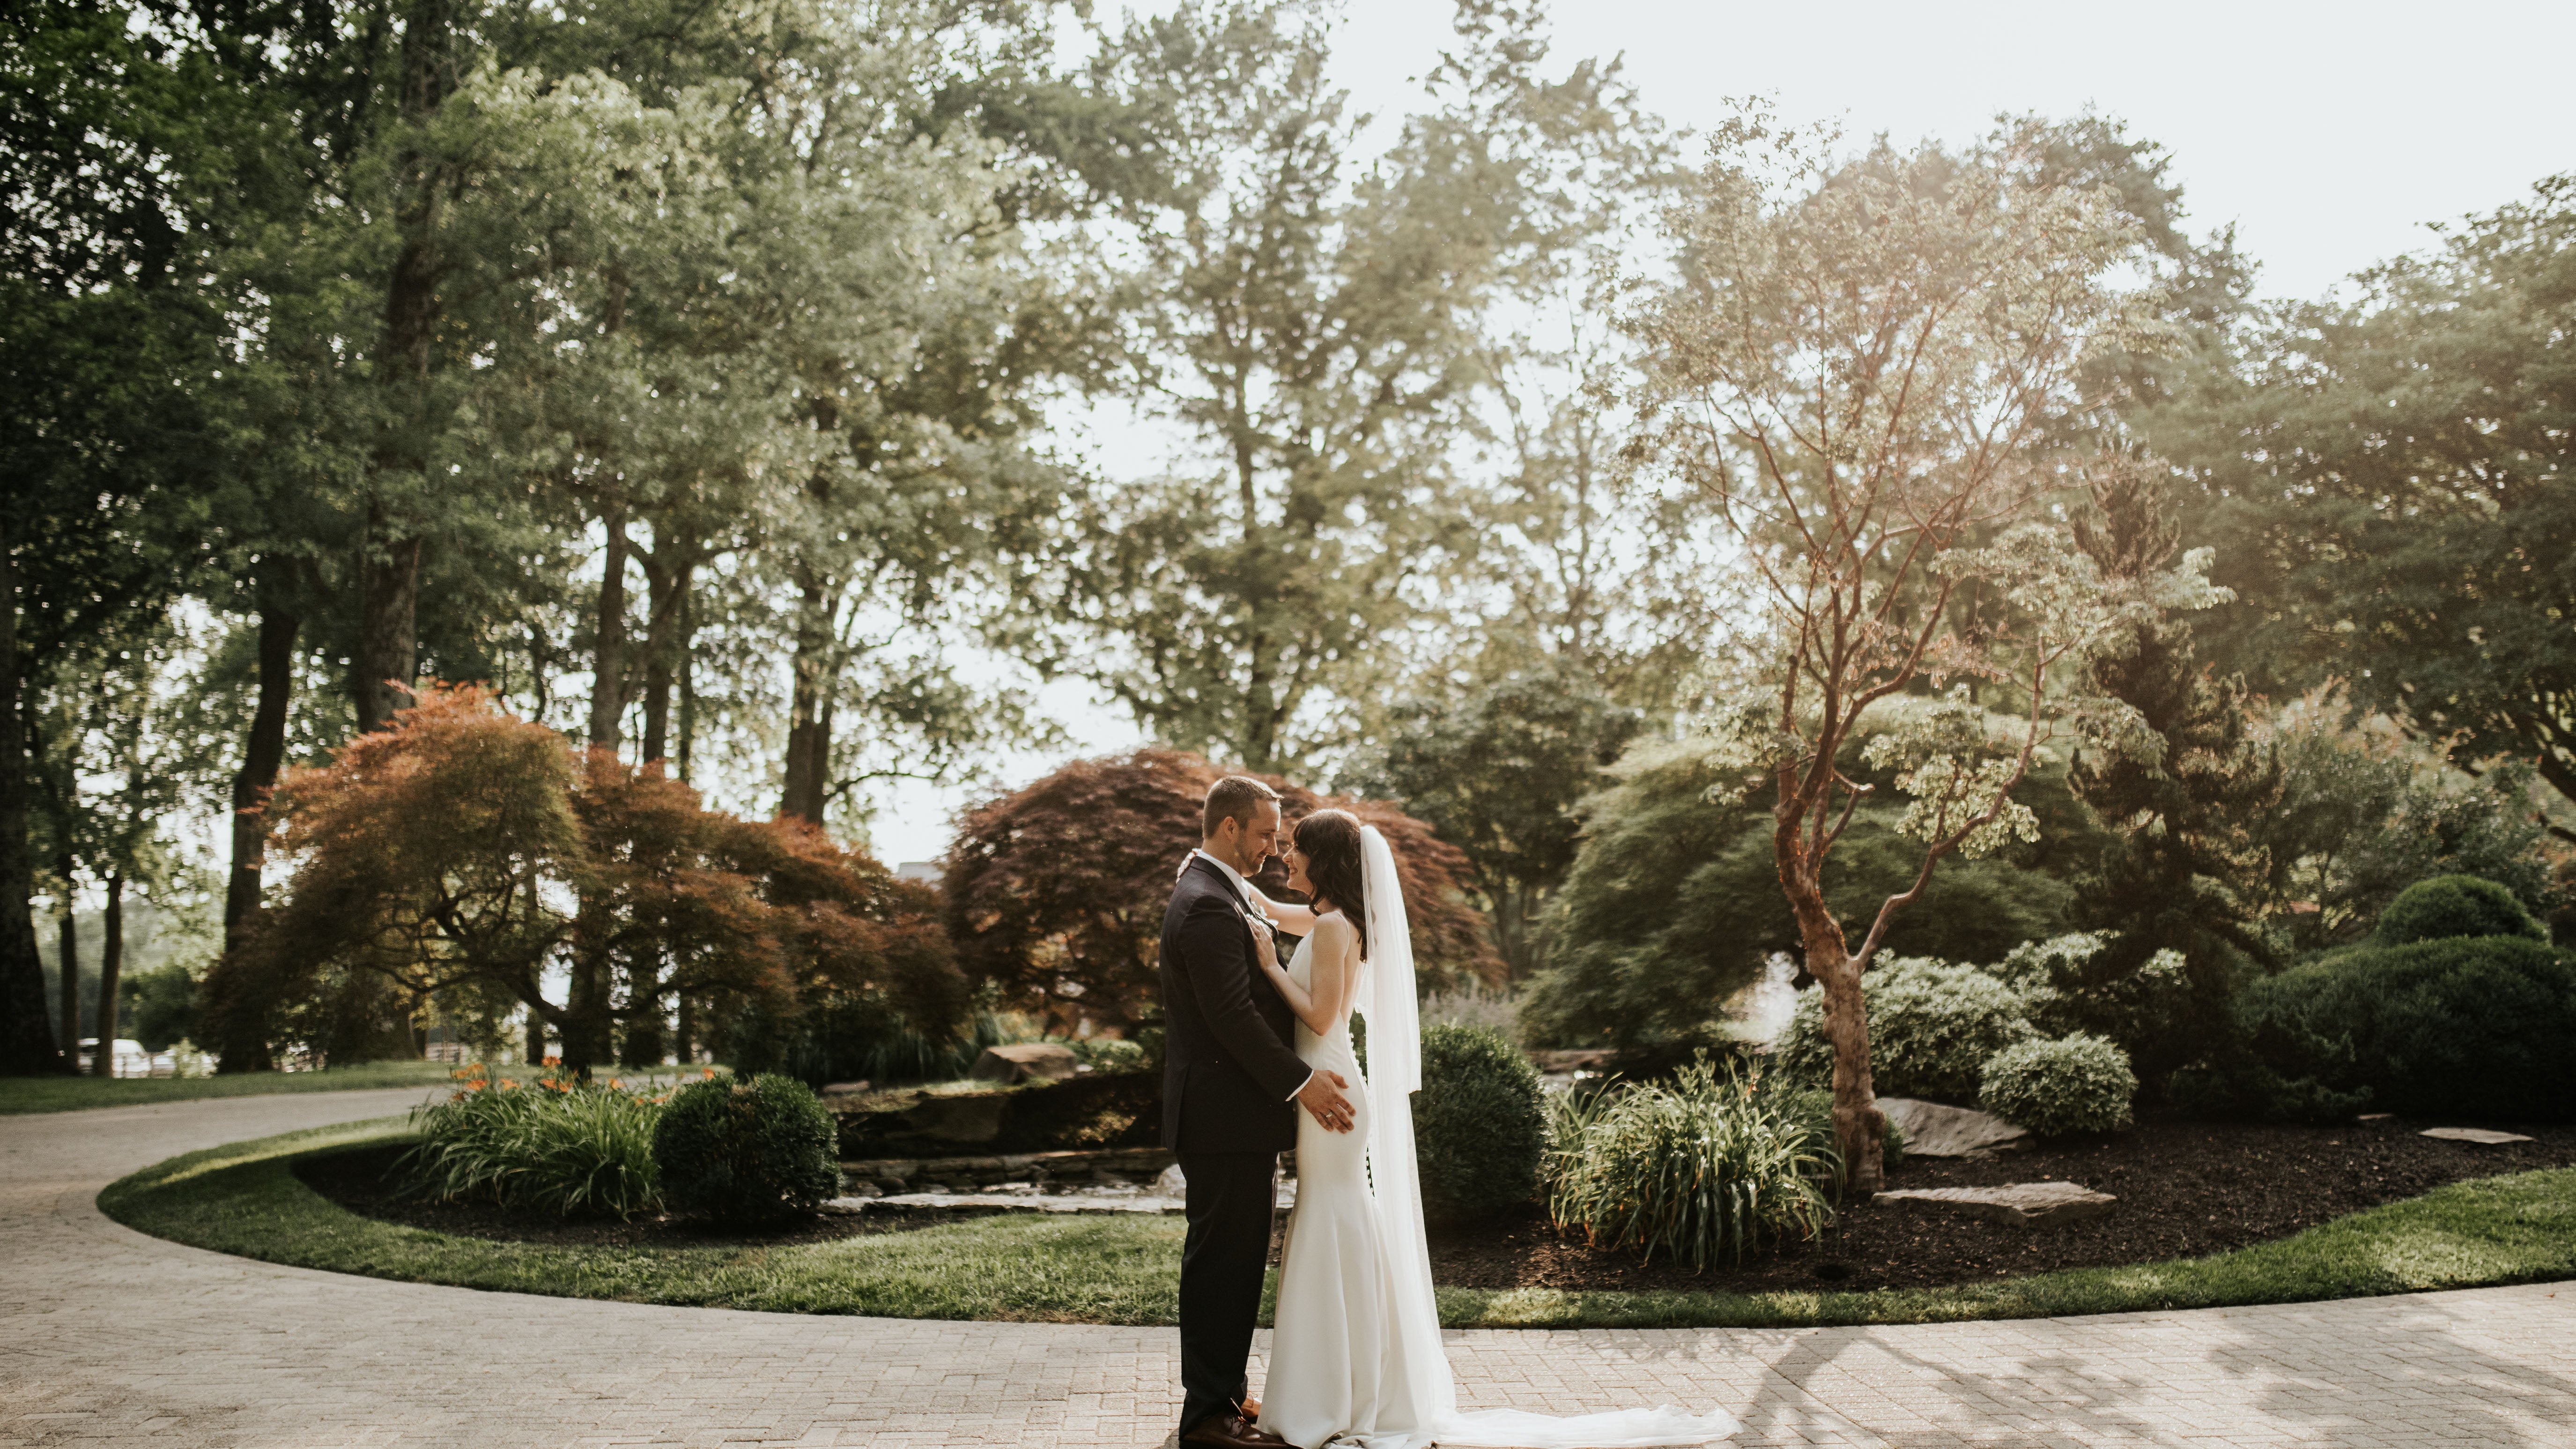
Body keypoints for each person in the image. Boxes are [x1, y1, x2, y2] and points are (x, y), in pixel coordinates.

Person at [1240, 807, 1740, 1449]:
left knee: (1331, 1215)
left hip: (1330, 1090)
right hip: (1331, 1088)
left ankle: (1338, 1391)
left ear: (1326, 860)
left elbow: (1321, 1010)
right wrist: (1237, 888)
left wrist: (1269, 964)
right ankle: (1352, 1381)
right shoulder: (1330, 919)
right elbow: (1281, 913)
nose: (1287, 858)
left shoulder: (1335, 926)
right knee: (1335, 1215)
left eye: (1297, 849)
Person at [1159, 776, 1358, 1449]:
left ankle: (1222, 1391)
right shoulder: (1208, 903)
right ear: (1229, 829)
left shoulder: (1215, 888)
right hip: (1223, 1118)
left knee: (1236, 1260)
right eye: (1266, 833)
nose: (1275, 848)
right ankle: (1206, 1420)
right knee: (1223, 1262)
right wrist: (1303, 1082)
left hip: (1232, 1116)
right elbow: (1232, 1018)